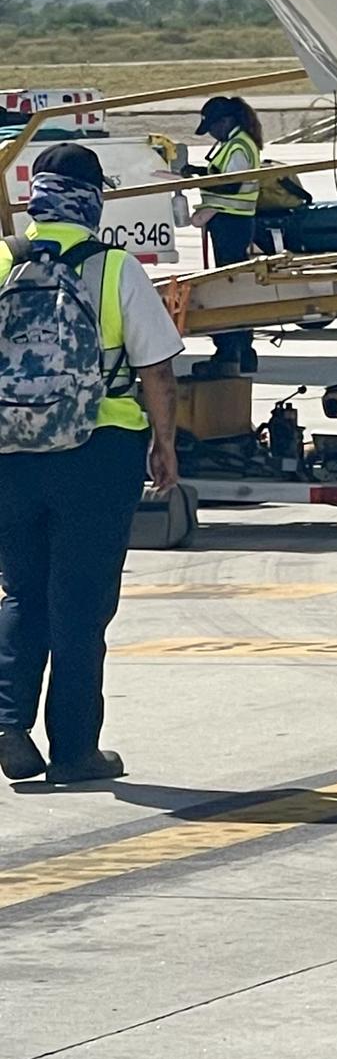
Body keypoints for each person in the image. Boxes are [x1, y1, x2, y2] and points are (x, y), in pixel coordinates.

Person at [0, 142, 181, 786]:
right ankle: (75, 750)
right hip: (98, 452)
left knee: (22, 590)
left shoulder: (3, 261)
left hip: (11, 452)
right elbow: (156, 368)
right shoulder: (114, 269)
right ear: (94, 198)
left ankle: (9, 724)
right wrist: (165, 442)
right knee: (80, 603)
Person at [186, 96, 264, 373]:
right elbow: (223, 176)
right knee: (233, 284)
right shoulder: (233, 143)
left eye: (212, 127)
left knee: (228, 287)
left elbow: (231, 187)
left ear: (226, 121)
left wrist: (196, 179)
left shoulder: (240, 145)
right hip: (230, 222)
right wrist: (198, 172)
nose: (211, 133)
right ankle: (241, 349)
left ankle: (231, 349)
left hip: (232, 223)